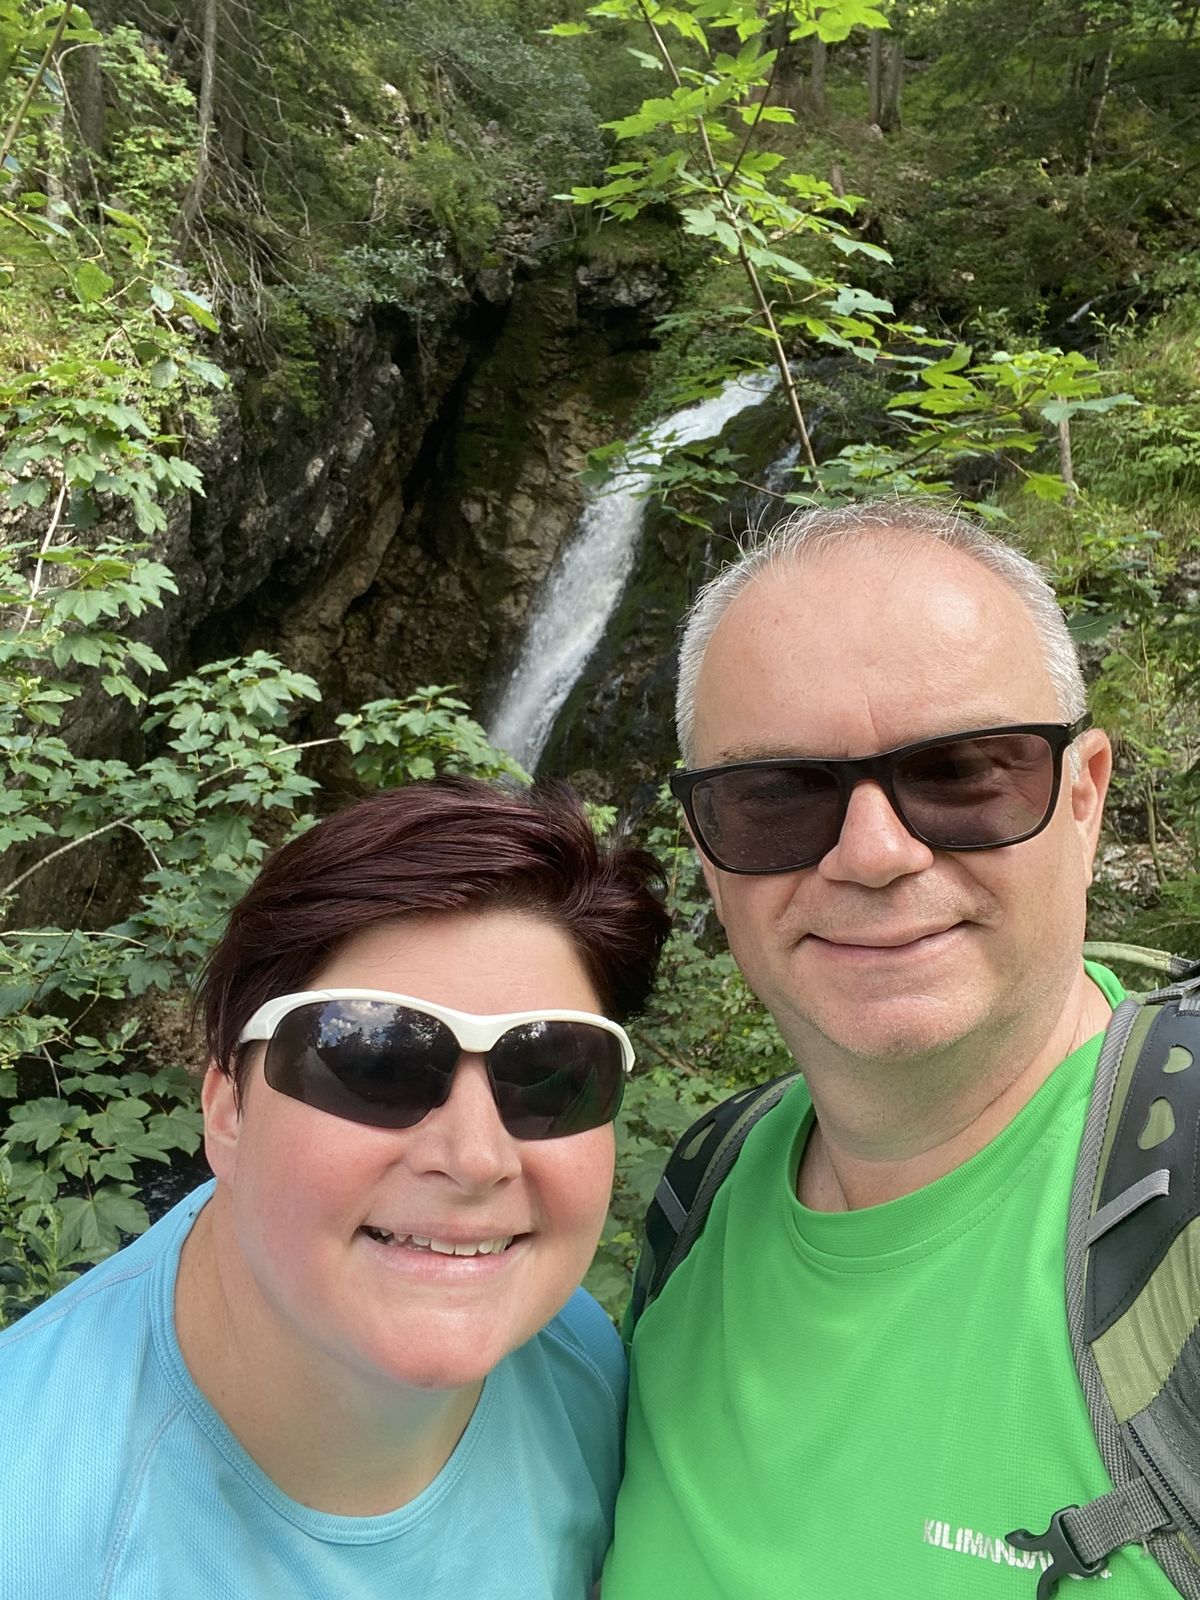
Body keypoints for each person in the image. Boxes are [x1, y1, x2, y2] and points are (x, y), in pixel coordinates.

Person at [601, 500, 1189, 1597]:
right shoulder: (698, 1200)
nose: (873, 853)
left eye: (961, 771)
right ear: (708, 853)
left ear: (1083, 798)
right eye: (776, 797)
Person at [0, 776, 669, 1600]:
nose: (475, 1157)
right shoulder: (30, 1526)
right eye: (376, 1063)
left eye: (551, 1073)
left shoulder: (583, 1369)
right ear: (227, 1110)